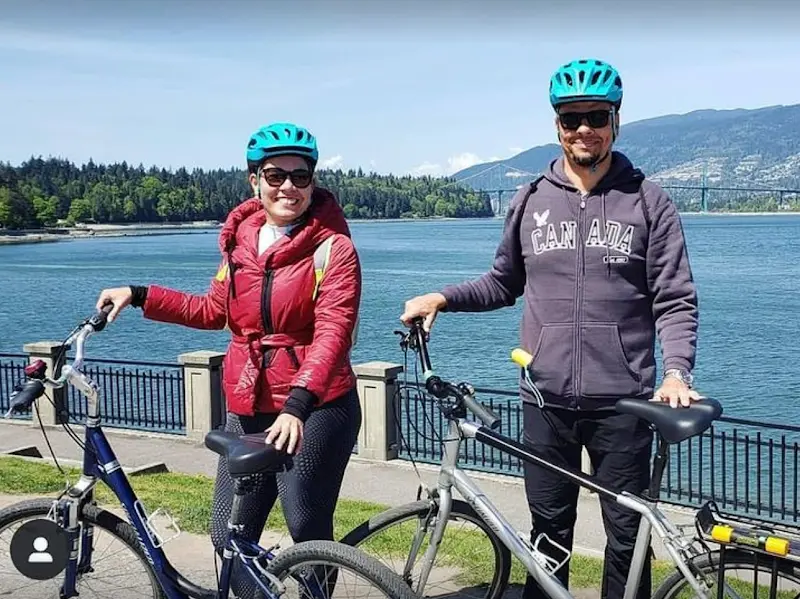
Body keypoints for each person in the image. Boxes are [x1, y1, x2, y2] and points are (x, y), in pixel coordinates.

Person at [400, 58, 701, 599]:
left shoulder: (650, 202)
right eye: (571, 117)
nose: (583, 128)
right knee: (548, 535)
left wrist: (676, 372)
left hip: (624, 402)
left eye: (596, 116)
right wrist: (442, 297)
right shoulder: (531, 199)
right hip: (545, 400)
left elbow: (674, 300)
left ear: (615, 120)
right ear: (556, 124)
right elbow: (501, 283)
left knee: (627, 538)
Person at [96, 121, 363, 599]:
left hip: (316, 407)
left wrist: (297, 405)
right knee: (227, 535)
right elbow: (211, 310)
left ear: (314, 183)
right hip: (248, 405)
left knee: (307, 529)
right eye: (275, 175)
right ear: (253, 180)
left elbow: (333, 333)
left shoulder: (333, 248)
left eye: (300, 177)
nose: (288, 187)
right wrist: (139, 294)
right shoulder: (242, 244)